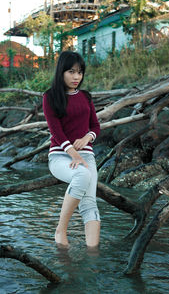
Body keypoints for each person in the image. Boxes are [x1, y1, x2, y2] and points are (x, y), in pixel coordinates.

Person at [43, 51, 101, 248]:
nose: (77, 77)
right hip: (60, 156)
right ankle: (60, 230)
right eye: (71, 72)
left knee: (90, 203)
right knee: (83, 175)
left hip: (87, 154)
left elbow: (95, 126)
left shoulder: (85, 97)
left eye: (80, 72)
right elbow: (56, 132)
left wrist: (86, 138)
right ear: (61, 72)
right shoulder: (50, 97)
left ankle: (93, 256)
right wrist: (74, 154)